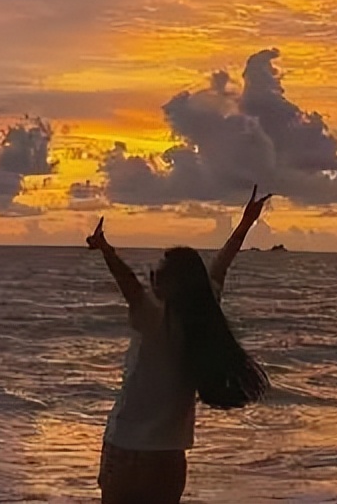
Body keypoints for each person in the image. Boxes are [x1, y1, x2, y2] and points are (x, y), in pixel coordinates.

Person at [86, 186, 273, 504]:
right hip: (170, 457)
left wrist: (106, 250)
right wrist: (245, 223)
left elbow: (129, 285)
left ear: (173, 283)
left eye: (156, 274)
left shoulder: (154, 317)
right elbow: (222, 261)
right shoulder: (204, 312)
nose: (150, 280)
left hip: (128, 450)